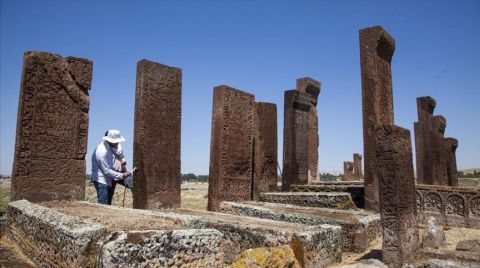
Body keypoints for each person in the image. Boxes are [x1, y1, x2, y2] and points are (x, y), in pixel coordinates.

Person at [91, 129, 131, 205]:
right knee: (104, 203)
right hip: (102, 179)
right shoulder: (101, 151)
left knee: (109, 201)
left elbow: (119, 153)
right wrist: (122, 175)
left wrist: (122, 159)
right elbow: (106, 170)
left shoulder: (114, 145)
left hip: (113, 176)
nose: (118, 143)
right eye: (116, 141)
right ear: (110, 141)